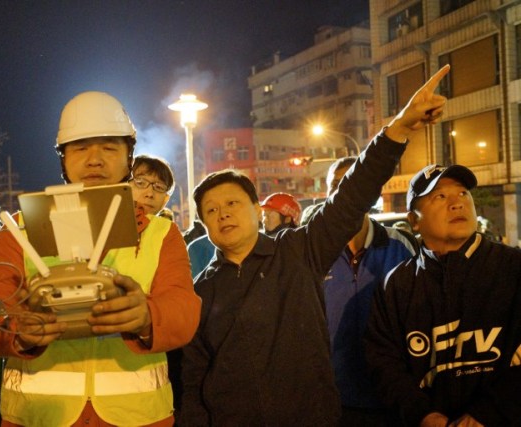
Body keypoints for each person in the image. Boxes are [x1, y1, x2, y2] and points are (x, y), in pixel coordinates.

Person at [178, 65, 450, 426]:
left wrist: (398, 128)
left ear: (257, 211)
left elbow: (351, 196)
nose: (223, 214)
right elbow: (195, 381)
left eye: (232, 204)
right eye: (211, 210)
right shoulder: (203, 291)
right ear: (204, 223)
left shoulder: (297, 251)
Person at [0, 91, 201, 427]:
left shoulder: (161, 233)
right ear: (63, 158)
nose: (95, 159)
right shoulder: (18, 231)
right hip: (37, 418)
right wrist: (19, 328)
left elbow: (184, 309)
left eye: (109, 147)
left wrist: (148, 316)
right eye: (80, 147)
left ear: (129, 157)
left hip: (138, 419)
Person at [364, 164, 521, 427]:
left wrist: (487, 413)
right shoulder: (398, 284)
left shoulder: (513, 268)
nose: (457, 204)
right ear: (414, 220)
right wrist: (423, 414)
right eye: (440, 196)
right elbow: (383, 362)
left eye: (462, 194)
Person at [322, 156, 418, 426]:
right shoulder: (313, 251)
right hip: (331, 400)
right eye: (338, 185)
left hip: (391, 398)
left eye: (356, 183)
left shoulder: (400, 245)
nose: (346, 192)